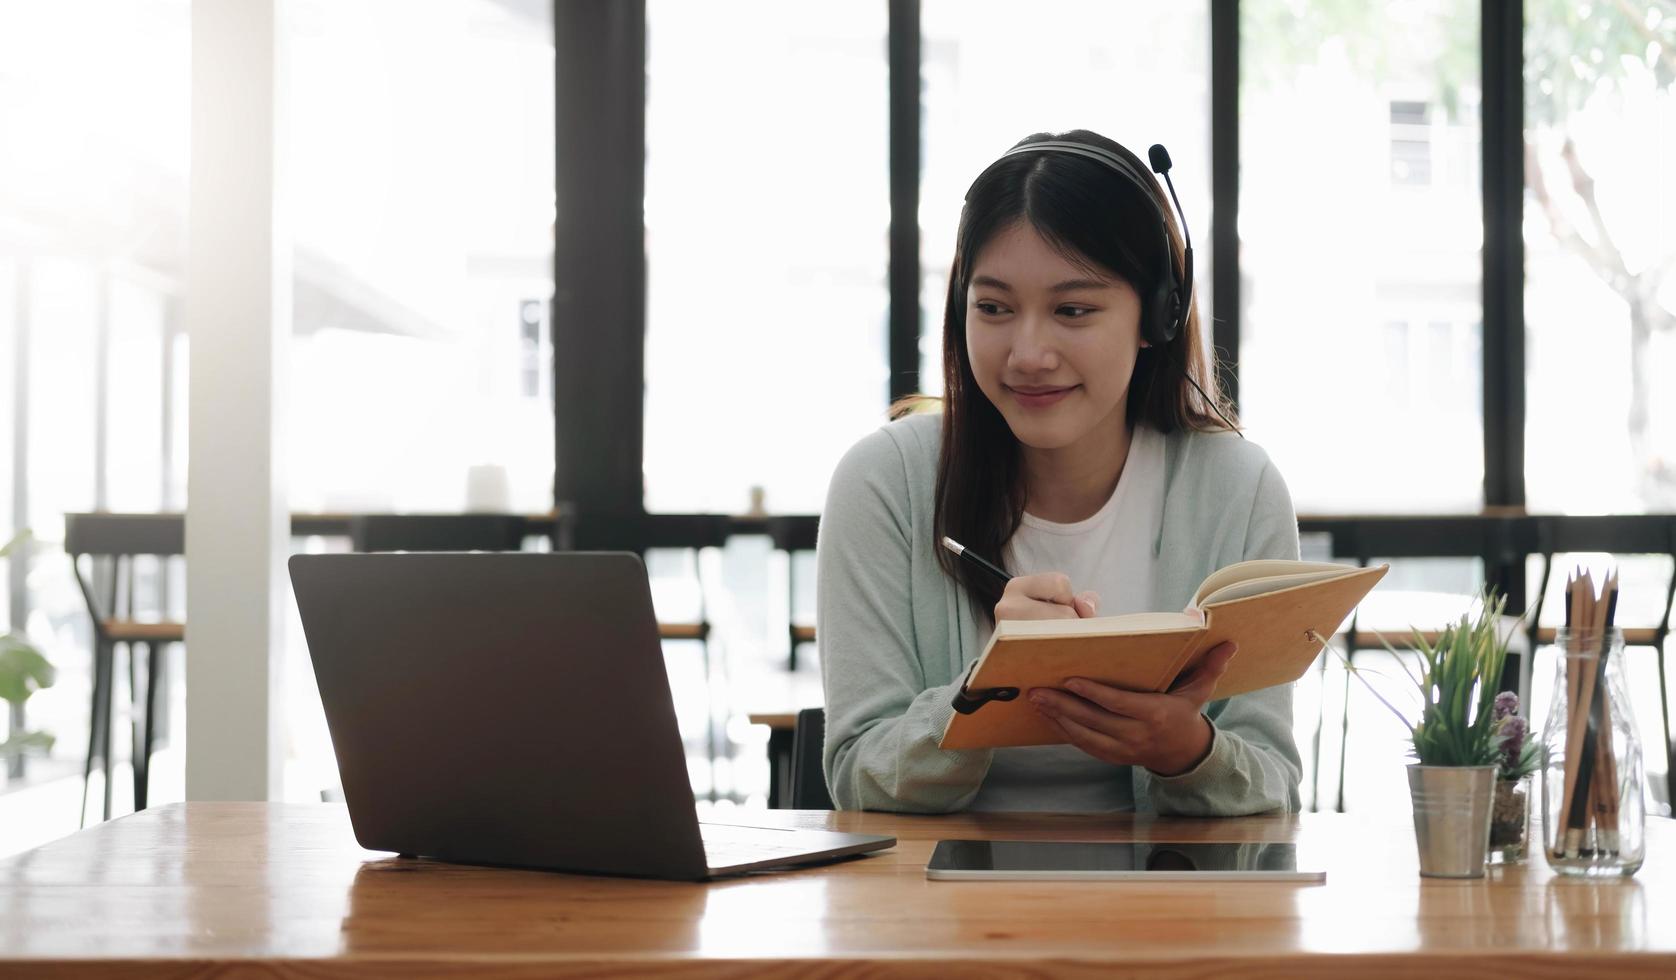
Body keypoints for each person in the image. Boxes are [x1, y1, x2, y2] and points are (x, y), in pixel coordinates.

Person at [817, 130, 1302, 814]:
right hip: (937, 912)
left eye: (1072, 310)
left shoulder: (1238, 490)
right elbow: (858, 776)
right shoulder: (885, 482)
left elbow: (1272, 780)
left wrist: (1190, 751)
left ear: (1155, 316)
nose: (1028, 353)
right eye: (993, 308)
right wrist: (983, 690)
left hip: (1170, 911)